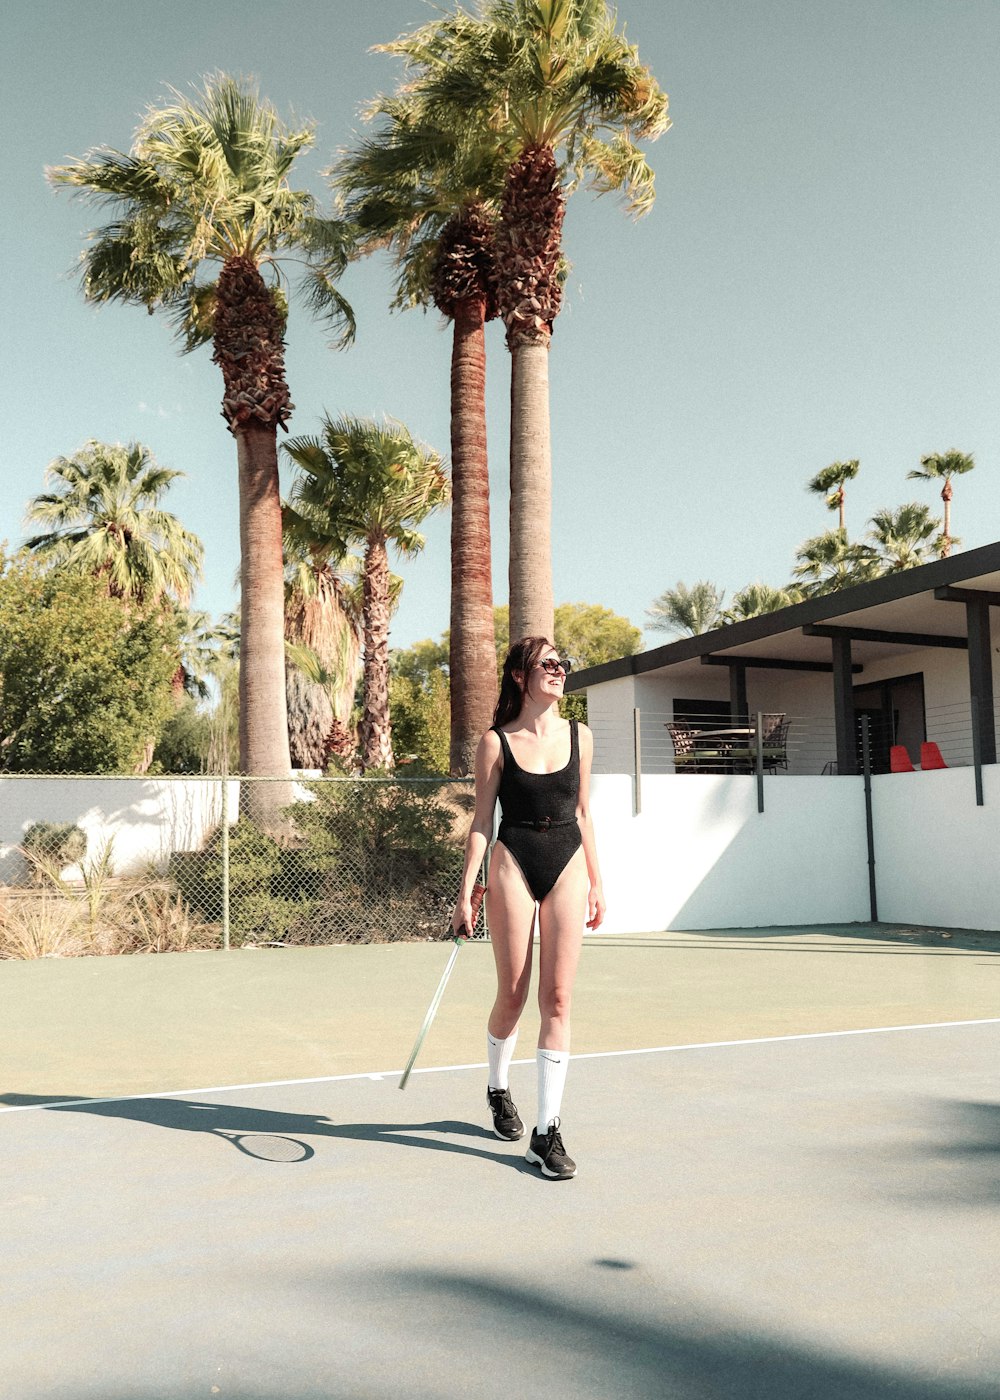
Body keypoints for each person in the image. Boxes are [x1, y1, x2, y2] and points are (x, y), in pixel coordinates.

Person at [452, 636, 606, 1179]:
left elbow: (584, 813)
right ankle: (497, 1087)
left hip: (566, 859)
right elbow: (480, 821)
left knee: (558, 998)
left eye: (563, 662)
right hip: (512, 857)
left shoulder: (580, 736)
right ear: (520, 676)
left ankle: (546, 1131)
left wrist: (596, 881)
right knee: (514, 994)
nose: (559, 670)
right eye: (548, 663)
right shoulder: (495, 742)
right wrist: (467, 889)